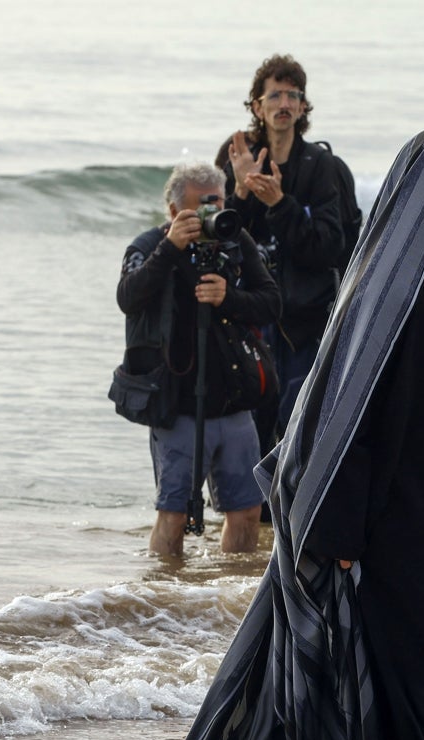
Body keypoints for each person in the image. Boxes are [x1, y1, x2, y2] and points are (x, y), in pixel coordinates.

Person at [85, 124, 424, 740]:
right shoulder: (389, 291)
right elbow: (347, 417)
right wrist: (336, 528)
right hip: (386, 509)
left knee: (411, 652)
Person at [115, 162, 280, 556]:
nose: (210, 214)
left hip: (233, 402)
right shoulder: (147, 246)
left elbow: (271, 302)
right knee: (172, 512)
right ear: (173, 211)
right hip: (178, 404)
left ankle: (222, 602)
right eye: (199, 207)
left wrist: (230, 297)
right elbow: (128, 298)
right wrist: (171, 248)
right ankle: (164, 599)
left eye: (216, 203)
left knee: (246, 510)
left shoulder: (235, 239)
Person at [219, 54, 362, 453]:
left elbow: (329, 248)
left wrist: (281, 204)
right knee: (245, 430)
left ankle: (289, 515)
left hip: (304, 324)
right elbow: (221, 240)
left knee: (300, 434)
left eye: (293, 96)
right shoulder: (235, 156)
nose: (284, 103)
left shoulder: (322, 167)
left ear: (303, 107)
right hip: (246, 317)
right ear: (256, 106)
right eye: (275, 95)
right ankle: (249, 514)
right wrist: (243, 192)